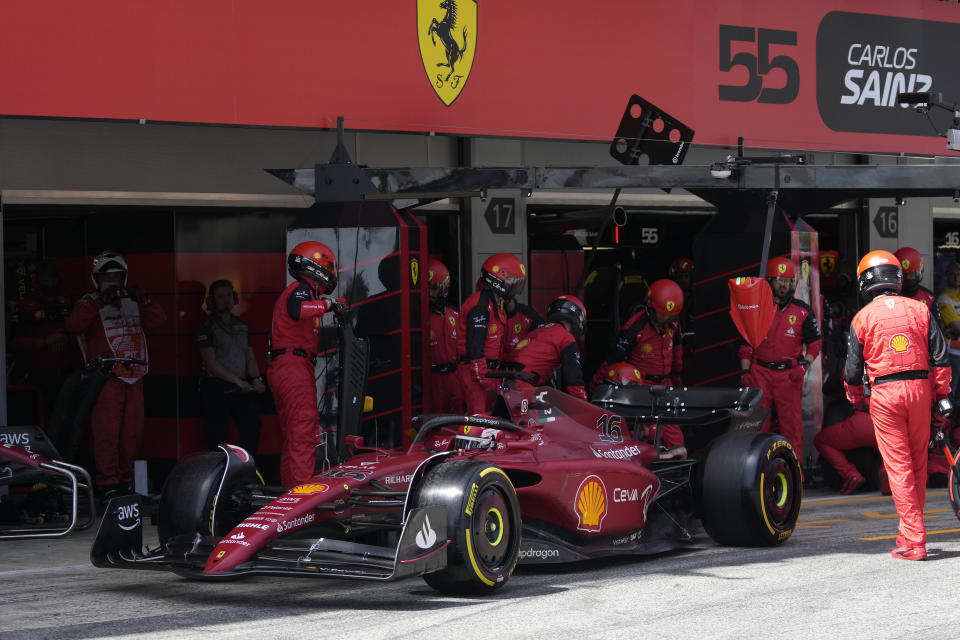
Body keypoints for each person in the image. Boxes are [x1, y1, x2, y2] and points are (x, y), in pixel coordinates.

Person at [844, 250, 951, 561]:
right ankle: (908, 532)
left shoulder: (862, 318)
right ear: (897, 277)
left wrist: (856, 400)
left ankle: (915, 541)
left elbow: (852, 372)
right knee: (917, 466)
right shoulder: (920, 309)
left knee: (898, 469)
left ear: (866, 281)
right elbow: (940, 357)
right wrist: (941, 396)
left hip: (885, 394)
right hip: (920, 390)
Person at [64, 251, 166, 499]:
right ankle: (108, 483)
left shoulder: (134, 301)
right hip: (105, 378)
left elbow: (159, 321)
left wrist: (144, 300)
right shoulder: (88, 302)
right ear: (97, 278)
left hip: (134, 374)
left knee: (132, 432)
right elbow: (74, 326)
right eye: (107, 277)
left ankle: (125, 481)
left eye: (116, 276)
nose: (112, 281)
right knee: (106, 432)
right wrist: (101, 300)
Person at [267, 241, 345, 487]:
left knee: (293, 437)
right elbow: (298, 309)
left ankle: (290, 497)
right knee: (303, 432)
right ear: (316, 266)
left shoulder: (305, 292)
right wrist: (329, 305)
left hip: (291, 366)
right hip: (293, 366)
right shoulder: (300, 291)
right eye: (329, 267)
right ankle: (302, 500)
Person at [738, 257, 821, 463]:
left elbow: (815, 343)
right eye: (778, 280)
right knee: (757, 424)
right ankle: (758, 470)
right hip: (760, 372)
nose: (783, 285)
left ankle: (794, 473)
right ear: (770, 281)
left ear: (793, 283)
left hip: (789, 376)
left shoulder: (802, 311)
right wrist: (745, 372)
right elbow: (746, 343)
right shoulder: (757, 308)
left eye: (787, 280)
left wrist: (805, 366)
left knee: (791, 427)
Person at [602, 279, 686, 453]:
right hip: (640, 388)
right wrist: (599, 389)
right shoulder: (635, 327)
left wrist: (678, 381)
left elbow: (677, 356)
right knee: (646, 434)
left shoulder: (674, 326)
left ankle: (677, 472)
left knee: (675, 437)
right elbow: (612, 361)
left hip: (666, 387)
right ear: (650, 306)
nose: (664, 318)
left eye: (668, 315)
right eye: (660, 313)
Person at [196, 279, 266, 454]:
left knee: (252, 428)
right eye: (220, 296)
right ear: (212, 300)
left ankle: (245, 470)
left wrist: (256, 379)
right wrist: (238, 382)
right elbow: (210, 363)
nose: (226, 300)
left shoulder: (242, 325)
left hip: (241, 386)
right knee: (217, 435)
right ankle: (220, 475)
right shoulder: (206, 326)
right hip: (215, 386)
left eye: (229, 295)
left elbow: (249, 356)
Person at [456, 253, 526, 413]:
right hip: (477, 375)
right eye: (512, 281)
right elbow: (475, 348)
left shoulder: (496, 304)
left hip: (490, 373)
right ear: (497, 279)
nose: (514, 286)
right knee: (480, 420)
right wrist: (483, 378)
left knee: (492, 420)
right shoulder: (480, 305)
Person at [509, 295, 587, 399]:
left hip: (506, 384)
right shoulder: (566, 338)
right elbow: (573, 378)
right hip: (524, 389)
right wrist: (584, 404)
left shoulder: (538, 331)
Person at [424, 259, 465, 413]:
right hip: (431, 378)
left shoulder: (455, 313)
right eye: (427, 288)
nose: (430, 293)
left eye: (434, 288)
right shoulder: (418, 317)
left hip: (455, 377)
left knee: (458, 421)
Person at [935, 261, 960, 399]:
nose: (956, 278)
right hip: (953, 353)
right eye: (953, 275)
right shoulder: (944, 299)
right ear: (947, 277)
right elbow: (957, 327)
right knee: (951, 393)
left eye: (959, 274)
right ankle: (948, 421)